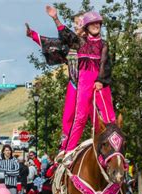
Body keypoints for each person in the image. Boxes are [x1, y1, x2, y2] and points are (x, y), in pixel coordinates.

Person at [46, 6, 116, 164]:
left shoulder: (104, 44)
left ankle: (114, 150)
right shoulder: (80, 42)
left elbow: (105, 64)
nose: (96, 25)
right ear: (86, 26)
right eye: (93, 23)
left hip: (100, 83)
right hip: (84, 82)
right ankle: (68, 151)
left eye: (98, 23)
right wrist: (55, 18)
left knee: (108, 117)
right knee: (80, 117)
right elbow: (65, 35)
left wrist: (100, 80)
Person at [26, 13, 84, 163]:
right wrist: (33, 35)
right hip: (74, 83)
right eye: (76, 24)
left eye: (80, 23)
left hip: (89, 85)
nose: (78, 26)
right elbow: (49, 44)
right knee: (68, 116)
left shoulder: (92, 43)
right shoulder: (69, 44)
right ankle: (65, 147)